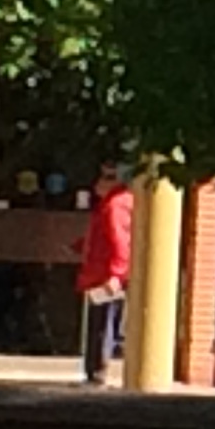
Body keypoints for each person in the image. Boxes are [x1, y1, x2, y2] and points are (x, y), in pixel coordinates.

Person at [76, 162, 135, 385]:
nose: (98, 183)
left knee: (102, 324)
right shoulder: (111, 203)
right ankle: (95, 370)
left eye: (107, 177)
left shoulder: (115, 204)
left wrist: (116, 274)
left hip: (104, 275)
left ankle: (98, 371)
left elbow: (121, 241)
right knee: (101, 322)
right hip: (101, 272)